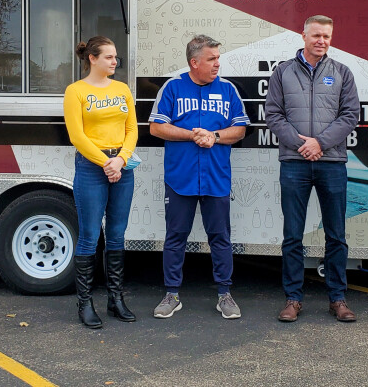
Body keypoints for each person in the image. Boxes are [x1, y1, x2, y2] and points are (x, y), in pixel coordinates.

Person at [265, 15, 360, 323]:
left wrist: (320, 143)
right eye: (316, 35)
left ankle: (338, 299)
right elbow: (273, 115)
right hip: (294, 164)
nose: (322, 40)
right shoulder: (282, 73)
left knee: (336, 235)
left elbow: (350, 115)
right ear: (303, 36)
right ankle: (293, 299)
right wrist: (301, 144)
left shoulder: (342, 73)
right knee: (292, 234)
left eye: (327, 36)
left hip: (331, 164)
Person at [148, 35, 249, 320]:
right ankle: (171, 294)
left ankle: (224, 294)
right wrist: (193, 134)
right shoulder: (173, 87)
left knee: (220, 237)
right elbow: (156, 127)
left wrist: (214, 136)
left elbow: (239, 129)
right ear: (194, 62)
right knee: (175, 237)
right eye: (211, 59)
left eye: (218, 58)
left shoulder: (228, 90)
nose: (218, 63)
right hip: (180, 177)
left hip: (216, 177)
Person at [63, 36, 138, 329]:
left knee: (117, 234)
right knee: (90, 236)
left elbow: (131, 128)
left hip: (123, 165)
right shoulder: (75, 91)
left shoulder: (121, 89)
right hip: (92, 168)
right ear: (92, 59)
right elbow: (77, 136)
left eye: (116, 57)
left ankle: (115, 299)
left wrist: (120, 159)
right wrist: (106, 163)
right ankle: (85, 303)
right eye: (109, 57)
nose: (114, 62)